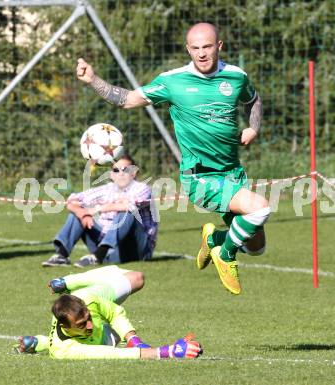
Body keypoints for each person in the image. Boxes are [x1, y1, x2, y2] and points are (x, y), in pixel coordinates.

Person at [76, 22, 270, 294]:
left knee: (257, 247)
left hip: (232, 173)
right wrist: (93, 80)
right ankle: (224, 256)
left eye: (207, 47)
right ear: (188, 49)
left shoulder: (236, 77)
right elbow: (128, 99)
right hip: (200, 176)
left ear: (219, 46)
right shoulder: (173, 81)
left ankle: (215, 238)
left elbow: (253, 99)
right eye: (195, 48)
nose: (201, 54)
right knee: (260, 208)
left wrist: (253, 127)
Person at [16, 265, 202, 360]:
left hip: (87, 294)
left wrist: (133, 340)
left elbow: (114, 312)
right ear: (66, 326)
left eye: (88, 318)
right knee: (110, 341)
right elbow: (114, 355)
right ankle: (39, 342)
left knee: (137, 278)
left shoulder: (86, 300)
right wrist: (169, 351)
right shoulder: (65, 350)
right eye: (82, 324)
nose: (90, 325)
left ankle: (68, 281)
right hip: (98, 339)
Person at [42, 154, 158, 268]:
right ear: (111, 175)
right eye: (116, 170)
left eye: (126, 170)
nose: (121, 174)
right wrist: (83, 214)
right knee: (77, 213)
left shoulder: (142, 188)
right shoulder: (107, 189)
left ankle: (98, 255)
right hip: (111, 252)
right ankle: (61, 255)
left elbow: (131, 206)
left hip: (137, 251)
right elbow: (72, 200)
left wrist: (96, 209)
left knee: (127, 213)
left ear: (134, 173)